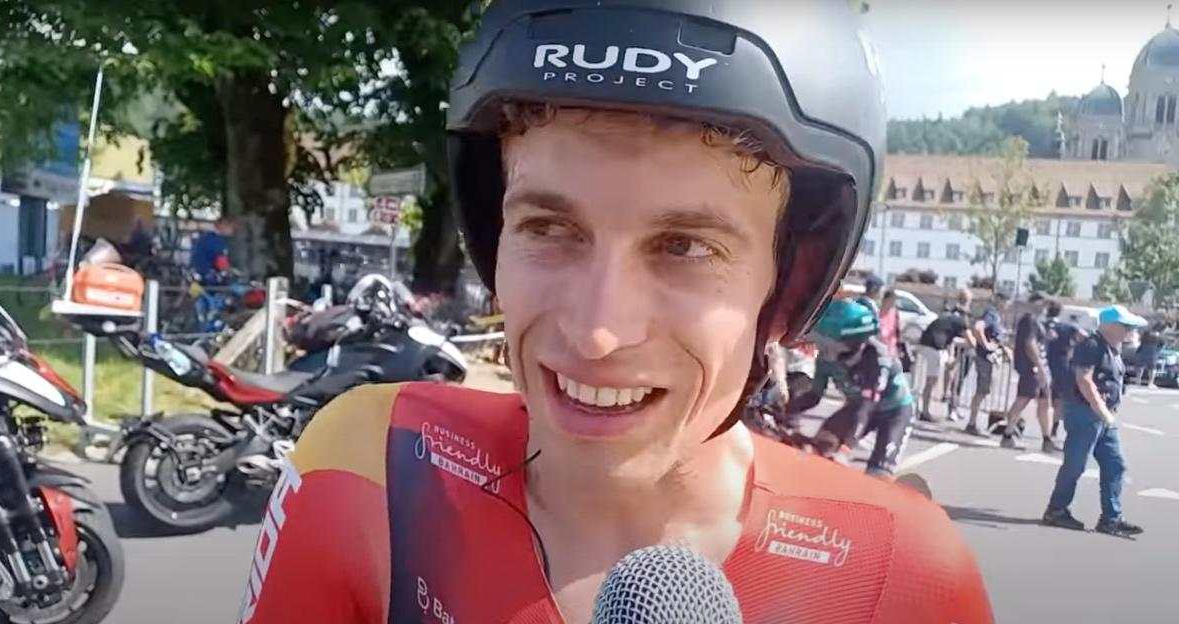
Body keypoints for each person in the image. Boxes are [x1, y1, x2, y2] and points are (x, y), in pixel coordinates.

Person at [237, 3, 992, 623]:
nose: (597, 332)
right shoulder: (373, 468)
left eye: (685, 247)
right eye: (549, 229)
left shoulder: (905, 577)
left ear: (785, 284)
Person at [1042, 305, 1146, 537]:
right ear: (1109, 325)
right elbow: (1084, 380)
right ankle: (1057, 510)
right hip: (1086, 412)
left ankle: (1111, 518)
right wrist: (1103, 412)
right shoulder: (1092, 345)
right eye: (1125, 326)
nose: (1129, 331)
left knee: (1115, 464)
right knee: (1075, 464)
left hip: (1101, 415)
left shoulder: (1112, 348)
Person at [786, 300, 917, 478]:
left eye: (827, 344)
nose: (821, 350)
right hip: (859, 406)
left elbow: (866, 407)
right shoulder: (826, 359)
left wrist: (846, 449)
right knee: (822, 443)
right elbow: (814, 396)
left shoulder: (879, 358)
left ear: (850, 341)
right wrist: (783, 410)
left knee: (878, 473)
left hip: (894, 412)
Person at [999, 293, 1058, 452]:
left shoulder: (1037, 321)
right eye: (1042, 303)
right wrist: (1038, 366)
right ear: (1033, 303)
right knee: (1023, 399)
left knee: (1044, 403)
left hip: (1041, 367)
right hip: (1032, 368)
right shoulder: (1029, 320)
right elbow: (1029, 344)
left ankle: (1047, 439)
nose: (1044, 307)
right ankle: (1007, 434)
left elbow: (1037, 342)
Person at [965, 291, 1012, 437]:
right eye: (1006, 302)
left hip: (990, 358)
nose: (1007, 306)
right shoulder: (991, 315)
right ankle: (972, 423)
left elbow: (997, 338)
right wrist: (986, 345)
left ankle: (973, 422)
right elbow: (978, 328)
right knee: (982, 390)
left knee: (984, 390)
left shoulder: (996, 317)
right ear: (1000, 301)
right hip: (985, 358)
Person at [917, 306, 974, 421]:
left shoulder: (947, 319)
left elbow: (951, 340)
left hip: (927, 343)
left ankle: (943, 396)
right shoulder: (961, 322)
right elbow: (972, 342)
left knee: (945, 367)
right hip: (934, 347)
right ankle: (925, 411)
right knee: (931, 381)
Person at [1044, 301, 1086, 439]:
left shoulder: (1043, 324)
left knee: (1043, 397)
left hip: (1045, 362)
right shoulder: (1067, 327)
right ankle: (1054, 427)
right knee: (1059, 398)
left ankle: (1048, 425)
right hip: (1062, 364)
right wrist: (1074, 344)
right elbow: (1084, 335)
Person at [941, 288, 975, 417]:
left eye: (967, 299)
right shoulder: (955, 313)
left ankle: (955, 406)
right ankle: (951, 407)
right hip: (956, 349)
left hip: (967, 350)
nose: (965, 301)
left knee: (960, 380)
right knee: (953, 378)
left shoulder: (968, 314)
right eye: (963, 298)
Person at [190, 217, 235, 284]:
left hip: (196, 276)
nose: (233, 231)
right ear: (222, 225)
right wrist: (232, 272)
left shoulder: (205, 237)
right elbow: (221, 263)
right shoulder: (217, 240)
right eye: (231, 227)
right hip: (209, 278)